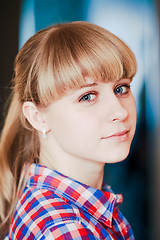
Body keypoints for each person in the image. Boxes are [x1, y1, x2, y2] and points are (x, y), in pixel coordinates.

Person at [0, 21, 137, 239]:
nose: (120, 112)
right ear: (37, 117)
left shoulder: (48, 200)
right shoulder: (64, 229)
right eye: (87, 96)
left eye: (121, 88)